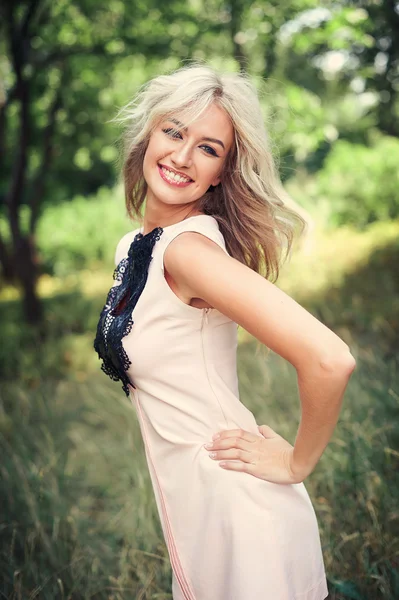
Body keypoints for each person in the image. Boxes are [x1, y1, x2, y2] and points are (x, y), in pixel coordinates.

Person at [94, 63, 356, 600]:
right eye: (174, 131)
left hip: (241, 515)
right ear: (148, 134)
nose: (182, 157)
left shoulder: (189, 251)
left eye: (208, 148)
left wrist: (295, 462)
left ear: (221, 172)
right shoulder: (136, 247)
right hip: (198, 511)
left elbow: (330, 358)